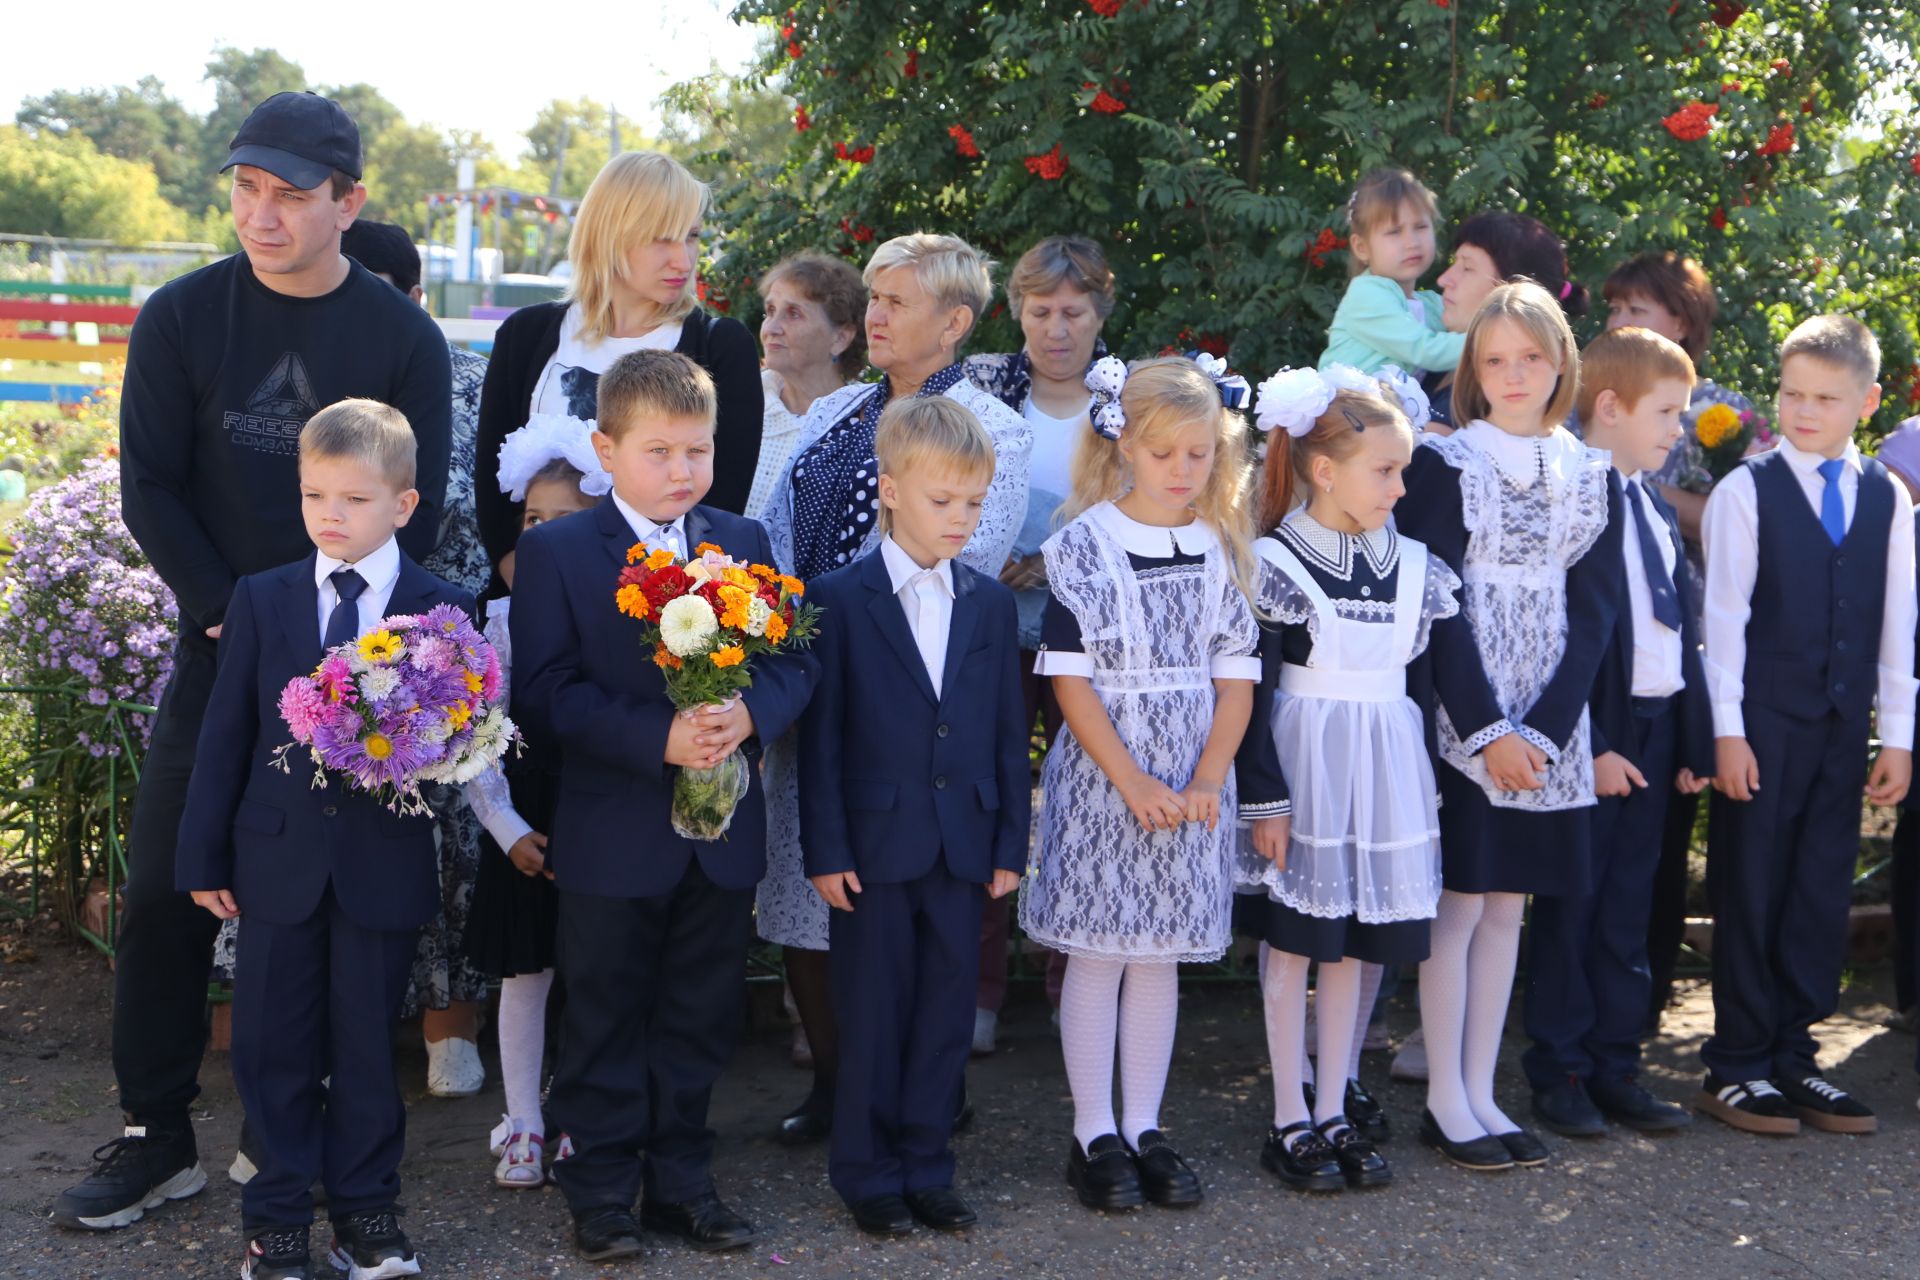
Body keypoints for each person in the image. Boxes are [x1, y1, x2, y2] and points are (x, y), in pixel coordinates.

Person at [56, 90, 452, 1233]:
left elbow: (414, 520)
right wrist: (239, 616)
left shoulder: (401, 337)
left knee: (344, 909)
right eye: (246, 188)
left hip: (364, 676)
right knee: (167, 889)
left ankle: (314, 1143)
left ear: (349, 202)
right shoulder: (181, 315)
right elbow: (152, 487)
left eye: (289, 193)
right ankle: (156, 1133)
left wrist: (338, 642)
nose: (263, 214)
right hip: (222, 648)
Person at [510, 351, 817, 1261]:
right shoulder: (559, 551)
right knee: (604, 1008)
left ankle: (683, 1179)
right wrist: (661, 738)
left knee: (699, 1010)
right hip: (613, 833)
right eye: (659, 452)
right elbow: (545, 692)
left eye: (699, 449)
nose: (682, 471)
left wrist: (748, 712)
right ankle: (600, 1187)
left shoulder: (745, 542)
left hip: (722, 835)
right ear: (606, 450)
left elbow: (796, 660)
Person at [175, 399, 472, 1280]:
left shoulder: (439, 610)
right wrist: (202, 854)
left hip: (381, 866)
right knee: (272, 1046)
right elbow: (226, 732)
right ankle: (276, 1221)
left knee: (366, 1051)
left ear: (405, 505)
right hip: (276, 863)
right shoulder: (262, 597)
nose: (330, 514)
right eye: (313, 495)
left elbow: (462, 740)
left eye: (353, 497)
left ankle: (368, 1214)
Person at [754, 232, 1032, 1146]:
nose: (873, 315)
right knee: (808, 892)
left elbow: (967, 567)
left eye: (896, 302)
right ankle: (840, 1088)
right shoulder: (838, 415)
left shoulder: (993, 429)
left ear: (954, 323)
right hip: (811, 689)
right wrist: (788, 651)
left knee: (908, 917)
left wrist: (854, 657)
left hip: (912, 716)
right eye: (871, 298)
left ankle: (920, 1096)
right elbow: (776, 533)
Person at [1020, 355, 1260, 1212]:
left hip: (1194, 783)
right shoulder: (1082, 545)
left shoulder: (1223, 546)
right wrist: (1132, 780)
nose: (1183, 470)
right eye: (1165, 453)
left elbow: (1236, 679)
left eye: (1199, 453)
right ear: (1125, 445)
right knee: (1098, 951)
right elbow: (1070, 682)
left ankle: (1146, 1124)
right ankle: (1094, 1133)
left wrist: (1204, 779)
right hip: (1107, 779)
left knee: (1158, 957)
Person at [1394, 281, 1624, 1172]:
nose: (1514, 374)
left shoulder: (1591, 473)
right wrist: (1489, 730)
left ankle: (1483, 1089)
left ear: (1561, 362)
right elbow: (1438, 604)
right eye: (1495, 360)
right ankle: (1444, 1099)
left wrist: (1551, 729)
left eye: (1530, 357)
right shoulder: (1447, 465)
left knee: (1507, 911)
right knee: (1460, 904)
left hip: (1552, 725)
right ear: (1473, 371)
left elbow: (1596, 614)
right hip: (1470, 716)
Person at [799, 397, 1030, 1236]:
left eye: (974, 503)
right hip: (870, 845)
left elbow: (1010, 733)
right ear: (892, 491)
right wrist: (823, 848)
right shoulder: (837, 598)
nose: (961, 520)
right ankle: (867, 1173)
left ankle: (929, 1166)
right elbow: (819, 744)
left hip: (964, 845)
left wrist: (1010, 842)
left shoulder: (990, 605)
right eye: (944, 502)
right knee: (873, 1014)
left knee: (944, 1017)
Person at [1237, 364, 1459, 1194]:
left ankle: (1334, 1105)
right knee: (1296, 942)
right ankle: (1288, 1113)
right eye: (1388, 470)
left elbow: (1428, 685)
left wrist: (1428, 782)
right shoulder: (1274, 560)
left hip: (1386, 765)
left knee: (1356, 949)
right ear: (1324, 470)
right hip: (1308, 767)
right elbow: (1253, 694)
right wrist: (1265, 794)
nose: (1402, 487)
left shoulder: (1416, 568)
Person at [1696, 315, 1914, 1136]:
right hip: (1762, 726)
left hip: (1838, 727)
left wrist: (1897, 733)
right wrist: (1727, 731)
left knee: (1819, 886)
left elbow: (1898, 621)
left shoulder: (1885, 496)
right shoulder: (1745, 491)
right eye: (1792, 394)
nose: (1805, 411)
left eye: (1826, 398)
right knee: (1752, 882)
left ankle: (1794, 1053)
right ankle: (1738, 1063)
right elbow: (1723, 626)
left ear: (1867, 401)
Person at [1520, 328, 1714, 1138]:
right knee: (1576, 906)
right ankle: (1559, 1069)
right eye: (1667, 411)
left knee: (1629, 908)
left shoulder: (1652, 503)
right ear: (1609, 407)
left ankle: (1615, 1064)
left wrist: (1694, 741)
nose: (1680, 428)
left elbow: (1679, 629)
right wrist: (1591, 744)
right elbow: (1570, 635)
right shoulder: (1576, 496)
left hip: (1658, 727)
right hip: (1596, 734)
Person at [341, 217, 493, 1098]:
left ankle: (448, 1033)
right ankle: (375, 1035)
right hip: (351, 634)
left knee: (447, 826)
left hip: (443, 635)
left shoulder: (462, 380)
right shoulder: (325, 388)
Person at [1596, 252, 1761, 1032]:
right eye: (1616, 308)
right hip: (1610, 664)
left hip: (1686, 648)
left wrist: (1659, 492)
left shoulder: (1723, 414)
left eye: (1641, 309)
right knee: (1597, 866)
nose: (1623, 322)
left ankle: (1640, 1010)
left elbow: (1741, 525)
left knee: (1657, 861)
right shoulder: (1588, 412)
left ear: (1684, 323)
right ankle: (1574, 1024)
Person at [474, 151, 763, 585]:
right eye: (661, 240)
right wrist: (526, 576)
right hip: (534, 594)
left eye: (692, 237)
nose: (683, 261)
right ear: (609, 233)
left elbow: (720, 501)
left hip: (664, 610)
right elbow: (492, 484)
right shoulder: (526, 335)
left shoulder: (722, 346)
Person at [964, 233, 1117, 1051]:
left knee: (1081, 802)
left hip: (1091, 638)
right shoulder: (986, 388)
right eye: (1040, 310)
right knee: (989, 795)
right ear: (1017, 312)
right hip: (993, 631)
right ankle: (981, 989)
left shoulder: (1126, 402)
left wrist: (1057, 558)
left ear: (1099, 314)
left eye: (1074, 311)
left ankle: (1072, 980)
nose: (1057, 329)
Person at [462, 416, 607, 1188]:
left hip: (600, 818)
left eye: (565, 523)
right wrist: (509, 828)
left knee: (594, 972)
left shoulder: (620, 618)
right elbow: (480, 742)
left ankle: (579, 1115)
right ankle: (522, 1119)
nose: (543, 540)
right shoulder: (496, 622)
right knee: (527, 974)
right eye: (531, 522)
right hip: (526, 820)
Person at [1421, 212, 1588, 434]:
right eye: (1494, 361)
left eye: (1467, 268)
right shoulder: (1434, 357)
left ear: (1512, 290)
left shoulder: (1518, 402)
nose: (1444, 279)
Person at [750, 253, 866, 523]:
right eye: (770, 311)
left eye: (794, 313)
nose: (771, 328)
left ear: (840, 337)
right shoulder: (738, 407)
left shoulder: (865, 424)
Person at [1319, 168, 1465, 377]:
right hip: (1349, 409)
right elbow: (1426, 350)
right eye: (1394, 232)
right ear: (1362, 247)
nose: (1412, 242)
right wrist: (1492, 342)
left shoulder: (1432, 304)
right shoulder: (1366, 296)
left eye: (1421, 227)